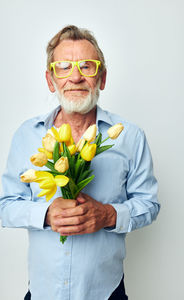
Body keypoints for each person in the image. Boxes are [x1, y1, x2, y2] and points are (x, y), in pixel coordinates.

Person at [0, 25, 160, 300]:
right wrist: (47, 214)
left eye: (87, 66)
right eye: (63, 67)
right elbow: (5, 205)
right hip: (41, 292)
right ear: (50, 80)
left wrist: (109, 215)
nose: (75, 77)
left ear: (102, 78)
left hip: (106, 292)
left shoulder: (130, 136)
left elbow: (149, 204)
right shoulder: (27, 134)